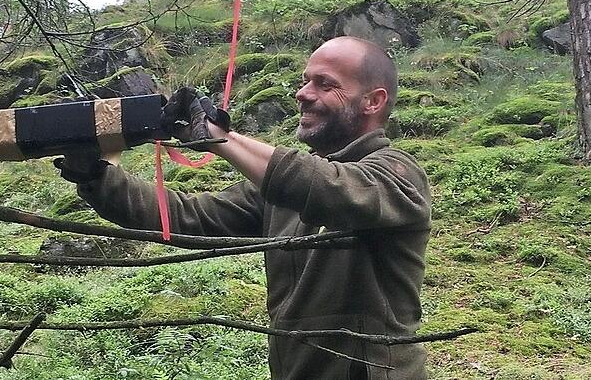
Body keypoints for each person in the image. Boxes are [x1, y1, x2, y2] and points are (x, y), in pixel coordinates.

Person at [58, 36, 431, 380]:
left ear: (373, 101)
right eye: (305, 81)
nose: (302, 93)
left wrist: (221, 140)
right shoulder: (281, 191)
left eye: (325, 83)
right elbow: (188, 217)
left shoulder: (397, 174)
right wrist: (95, 174)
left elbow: (328, 189)